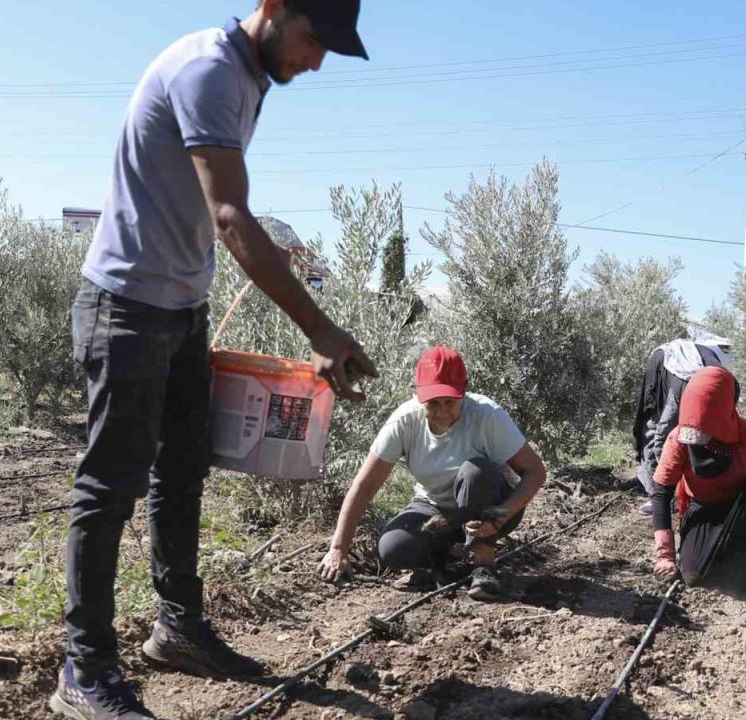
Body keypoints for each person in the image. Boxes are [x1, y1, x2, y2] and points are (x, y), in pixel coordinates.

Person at [56, 2, 374, 718]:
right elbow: (229, 216)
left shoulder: (249, 75)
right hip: (127, 307)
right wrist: (321, 329)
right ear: (272, 8)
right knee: (108, 489)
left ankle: (179, 631)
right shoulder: (207, 68)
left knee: (182, 471)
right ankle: (83, 670)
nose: (316, 59)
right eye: (311, 39)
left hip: (179, 311)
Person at [319, 346, 548, 601]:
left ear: (464, 391)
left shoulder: (486, 415)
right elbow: (364, 487)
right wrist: (338, 548)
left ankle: (484, 564)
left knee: (474, 471)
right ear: (418, 396)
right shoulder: (404, 421)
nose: (441, 411)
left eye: (449, 402)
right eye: (432, 403)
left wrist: (500, 518)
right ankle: (445, 553)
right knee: (393, 549)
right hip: (437, 507)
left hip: (492, 504)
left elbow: (535, 472)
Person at [650, 367, 746, 593]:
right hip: (703, 512)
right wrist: (665, 556)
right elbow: (661, 493)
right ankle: (730, 566)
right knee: (695, 577)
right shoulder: (679, 439)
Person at [632, 338, 732, 515]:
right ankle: (659, 496)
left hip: (682, 387)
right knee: (658, 437)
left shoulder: (721, 380)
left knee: (705, 438)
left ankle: (703, 492)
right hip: (670, 384)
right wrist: (663, 491)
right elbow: (660, 437)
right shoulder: (679, 381)